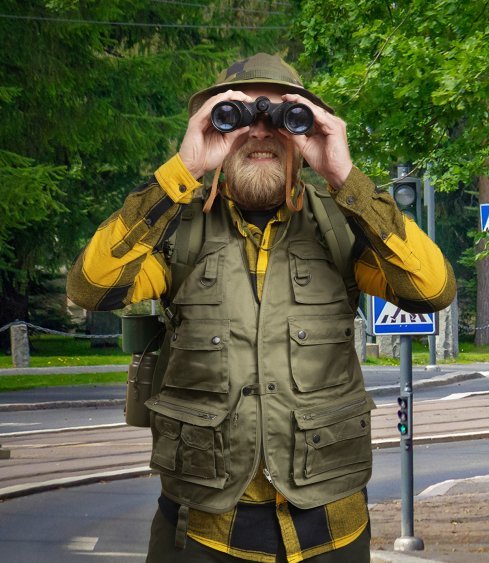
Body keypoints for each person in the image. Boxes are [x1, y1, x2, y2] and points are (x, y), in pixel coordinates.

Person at [67, 53, 456, 562]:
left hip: (330, 532)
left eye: (277, 118)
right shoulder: (178, 231)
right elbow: (90, 288)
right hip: (203, 533)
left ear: (302, 133)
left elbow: (432, 290)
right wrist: (182, 169)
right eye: (237, 115)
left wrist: (345, 177)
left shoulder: (339, 227)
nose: (258, 131)